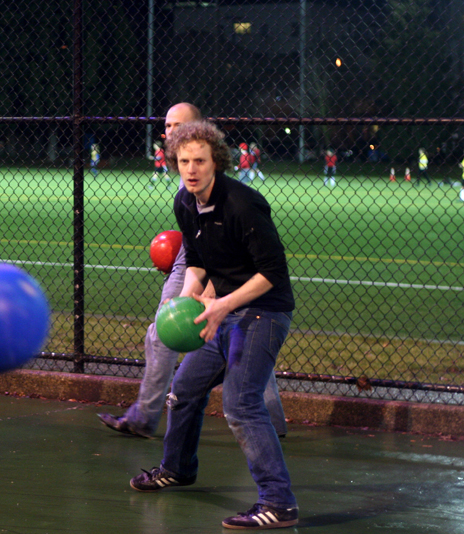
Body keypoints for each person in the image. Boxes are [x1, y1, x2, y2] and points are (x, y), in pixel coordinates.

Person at [128, 120, 298, 530]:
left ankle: (279, 502)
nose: (191, 169)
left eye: (200, 161)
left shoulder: (242, 204)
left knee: (241, 403)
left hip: (263, 312)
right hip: (222, 309)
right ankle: (178, 467)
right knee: (184, 390)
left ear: (216, 162)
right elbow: (199, 259)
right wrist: (190, 296)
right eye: (184, 161)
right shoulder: (185, 203)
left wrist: (222, 304)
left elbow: (272, 272)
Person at [98, 103, 287, 439]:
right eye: (168, 126)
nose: (170, 133)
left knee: (169, 333)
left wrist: (212, 288)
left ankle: (144, 417)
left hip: (212, 262)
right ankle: (271, 420)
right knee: (237, 336)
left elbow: (235, 255)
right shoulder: (185, 192)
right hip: (197, 259)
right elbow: (197, 243)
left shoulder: (235, 199)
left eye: (178, 126)